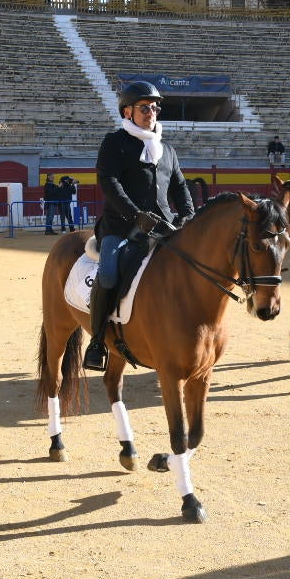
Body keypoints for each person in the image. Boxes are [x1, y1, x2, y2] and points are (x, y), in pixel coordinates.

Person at [82, 80, 195, 372]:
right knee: (107, 275)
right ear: (127, 111)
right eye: (144, 108)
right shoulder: (115, 142)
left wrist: (187, 214)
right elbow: (109, 182)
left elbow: (180, 186)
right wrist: (135, 215)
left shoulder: (167, 149)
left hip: (163, 229)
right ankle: (96, 343)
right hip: (120, 227)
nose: (151, 112)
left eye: (155, 107)